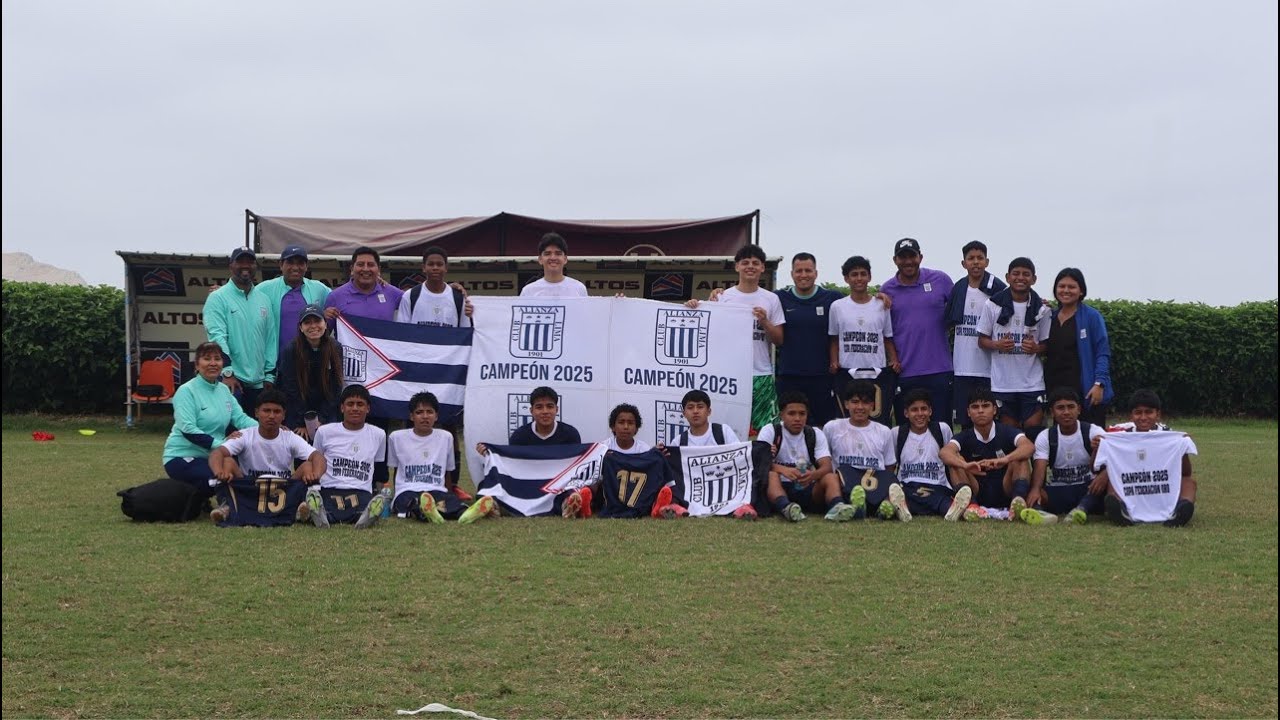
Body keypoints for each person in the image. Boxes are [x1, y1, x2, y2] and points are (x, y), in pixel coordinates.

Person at [696, 245, 785, 435]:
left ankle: (762, 464)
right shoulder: (723, 297)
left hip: (760, 373)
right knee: (728, 428)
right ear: (737, 267)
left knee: (765, 430)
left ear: (762, 267)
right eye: (745, 263)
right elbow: (708, 333)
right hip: (729, 375)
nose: (750, 267)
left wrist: (765, 321)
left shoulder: (771, 299)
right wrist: (694, 306)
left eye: (755, 263)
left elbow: (779, 340)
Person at [206, 388, 325, 525]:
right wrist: (218, 472)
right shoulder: (245, 435)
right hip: (250, 489)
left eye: (276, 411)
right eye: (266, 411)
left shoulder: (290, 437)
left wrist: (315, 475)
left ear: (284, 415)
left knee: (308, 467)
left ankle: (303, 507)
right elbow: (217, 453)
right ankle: (227, 507)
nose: (271, 416)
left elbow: (317, 456)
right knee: (227, 462)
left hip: (282, 490)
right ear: (257, 413)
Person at [472, 386, 590, 520]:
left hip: (556, 484)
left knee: (572, 486)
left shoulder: (570, 434)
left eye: (549, 406)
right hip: (527, 484)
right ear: (531, 411)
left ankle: (567, 503)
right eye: (539, 407)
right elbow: (511, 466)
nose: (545, 411)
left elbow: (574, 467)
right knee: (490, 484)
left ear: (557, 409)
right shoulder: (520, 436)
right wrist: (490, 453)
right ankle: (492, 504)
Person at [161, 341, 257, 500]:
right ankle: (192, 497)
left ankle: (203, 500)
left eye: (217, 359)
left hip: (215, 456)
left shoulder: (224, 390)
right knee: (218, 480)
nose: (213, 363)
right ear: (197, 365)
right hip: (182, 456)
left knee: (242, 476)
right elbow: (188, 430)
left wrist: (269, 429)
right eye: (207, 359)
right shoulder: (186, 391)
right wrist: (223, 444)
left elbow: (241, 419)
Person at [1093, 389, 1197, 527]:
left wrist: (1182, 449)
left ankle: (1182, 509)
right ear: (1131, 415)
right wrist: (1097, 449)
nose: (1143, 417)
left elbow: (1186, 473)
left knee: (1189, 483)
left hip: (1159, 483)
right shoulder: (1121, 436)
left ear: (1158, 414)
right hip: (1133, 483)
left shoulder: (1170, 436)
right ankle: (1120, 509)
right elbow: (1095, 467)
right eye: (1138, 412)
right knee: (1114, 479)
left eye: (1149, 412)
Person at [879, 238, 955, 426]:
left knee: (941, 428)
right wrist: (892, 358)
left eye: (912, 256)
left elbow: (960, 311)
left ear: (920, 257)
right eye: (902, 257)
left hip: (939, 369)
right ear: (895, 260)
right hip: (904, 372)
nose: (908, 261)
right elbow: (884, 331)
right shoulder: (887, 289)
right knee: (907, 431)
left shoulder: (940, 280)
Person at [977, 257, 1051, 433]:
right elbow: (981, 340)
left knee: (1034, 434)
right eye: (1016, 273)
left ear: (1034, 279)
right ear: (1007, 277)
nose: (1020, 278)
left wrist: (1036, 348)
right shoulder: (992, 304)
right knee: (1009, 435)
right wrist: (997, 344)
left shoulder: (1043, 309)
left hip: (1032, 384)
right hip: (1002, 383)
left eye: (1026, 274)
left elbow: (1048, 345)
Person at [758, 392, 855, 522]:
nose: (797, 418)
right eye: (791, 413)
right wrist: (783, 470)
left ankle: (837, 507)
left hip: (807, 487)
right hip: (779, 486)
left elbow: (826, 467)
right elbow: (758, 462)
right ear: (781, 415)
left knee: (831, 477)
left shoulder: (814, 434)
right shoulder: (770, 431)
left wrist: (812, 475)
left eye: (802, 414)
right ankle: (786, 507)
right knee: (771, 475)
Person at [939, 388, 1034, 520]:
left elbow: (1029, 446)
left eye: (985, 406)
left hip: (1005, 487)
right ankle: (972, 506)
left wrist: (1005, 459)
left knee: (1020, 457)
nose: (980, 411)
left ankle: (1017, 503)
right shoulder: (965, 436)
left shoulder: (1007, 431)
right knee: (955, 461)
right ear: (968, 412)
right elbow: (944, 453)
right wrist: (965, 465)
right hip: (976, 489)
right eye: (975, 407)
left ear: (994, 410)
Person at [828, 255, 900, 426]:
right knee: (848, 420)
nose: (859, 278)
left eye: (863, 274)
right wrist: (834, 361)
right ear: (846, 278)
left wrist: (894, 360)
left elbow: (887, 337)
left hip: (877, 371)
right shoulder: (837, 307)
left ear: (869, 276)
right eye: (854, 274)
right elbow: (834, 338)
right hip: (848, 370)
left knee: (877, 420)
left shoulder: (882, 304)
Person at [774, 252, 844, 426]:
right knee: (790, 426)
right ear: (792, 274)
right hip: (789, 376)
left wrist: (880, 299)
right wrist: (719, 295)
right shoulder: (779, 298)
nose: (803, 275)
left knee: (823, 427)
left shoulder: (832, 298)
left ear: (816, 273)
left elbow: (858, 306)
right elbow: (748, 303)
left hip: (822, 377)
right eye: (799, 271)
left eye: (808, 270)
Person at [203, 246, 274, 414]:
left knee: (255, 437)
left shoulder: (264, 299)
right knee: (231, 436)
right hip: (231, 381)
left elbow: (270, 339)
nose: (245, 266)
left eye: (250, 262)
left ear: (255, 266)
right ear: (231, 266)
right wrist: (227, 372)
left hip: (259, 383)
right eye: (240, 261)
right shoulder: (217, 298)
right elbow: (217, 337)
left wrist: (270, 374)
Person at [944, 241, 1006, 429]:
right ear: (964, 263)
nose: (976, 262)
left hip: (988, 368)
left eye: (980, 258)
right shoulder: (959, 288)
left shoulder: (997, 288)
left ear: (987, 261)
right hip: (962, 366)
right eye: (971, 258)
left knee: (989, 420)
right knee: (965, 420)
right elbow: (948, 322)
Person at [308, 384, 388, 529]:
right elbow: (315, 461)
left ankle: (366, 516)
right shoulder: (324, 432)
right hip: (330, 487)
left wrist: (378, 492)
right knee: (327, 507)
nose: (355, 408)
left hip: (360, 489)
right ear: (342, 408)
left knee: (361, 508)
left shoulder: (379, 434)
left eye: (360, 404)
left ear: (368, 408)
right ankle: (319, 515)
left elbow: (379, 470)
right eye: (350, 404)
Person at [665, 389, 754, 520]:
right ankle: (676, 506)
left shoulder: (723, 431)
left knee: (751, 472)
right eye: (690, 408)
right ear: (684, 413)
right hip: (696, 489)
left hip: (724, 482)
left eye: (700, 407)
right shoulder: (678, 441)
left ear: (709, 411)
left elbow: (740, 459)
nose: (695, 411)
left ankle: (743, 507)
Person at [1025, 387, 1105, 525]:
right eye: (1060, 408)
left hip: (1088, 489)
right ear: (1052, 412)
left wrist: (1104, 474)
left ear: (1079, 409)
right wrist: (1035, 490)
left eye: (1071, 407)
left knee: (1105, 480)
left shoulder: (1093, 431)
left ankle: (1081, 509)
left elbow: (1114, 460)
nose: (1066, 412)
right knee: (1036, 491)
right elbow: (1040, 467)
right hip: (1058, 489)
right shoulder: (1045, 437)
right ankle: (1039, 513)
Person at [1045, 267, 1113, 427]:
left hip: (1086, 390)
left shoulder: (1092, 317)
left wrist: (1099, 384)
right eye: (1061, 286)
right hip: (1057, 390)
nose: (1066, 290)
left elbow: (1102, 353)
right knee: (1062, 440)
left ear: (1081, 291)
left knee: (1092, 441)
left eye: (1072, 287)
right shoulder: (1050, 316)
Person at [386, 392, 468, 523]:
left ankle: (463, 513)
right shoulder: (397, 437)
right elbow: (396, 471)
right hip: (409, 489)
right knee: (408, 502)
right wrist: (397, 493)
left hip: (436, 489)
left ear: (436, 416)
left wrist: (449, 493)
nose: (425, 417)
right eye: (419, 412)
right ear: (411, 416)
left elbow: (447, 472)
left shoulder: (446, 437)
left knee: (450, 501)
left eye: (429, 412)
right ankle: (426, 511)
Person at [892, 388, 973, 522]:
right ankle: (903, 508)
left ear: (930, 411)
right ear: (906, 413)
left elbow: (953, 457)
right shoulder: (897, 433)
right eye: (914, 410)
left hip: (937, 486)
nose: (920, 414)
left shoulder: (942, 429)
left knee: (942, 502)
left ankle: (952, 510)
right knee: (902, 497)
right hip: (908, 486)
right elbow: (891, 464)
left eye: (924, 409)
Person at [822, 380, 898, 520]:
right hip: (844, 484)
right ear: (846, 404)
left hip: (874, 485)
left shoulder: (883, 431)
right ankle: (842, 505)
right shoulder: (832, 428)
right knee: (830, 478)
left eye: (866, 402)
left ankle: (883, 509)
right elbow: (824, 460)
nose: (860, 407)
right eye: (855, 402)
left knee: (896, 485)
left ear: (873, 405)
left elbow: (889, 467)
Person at [256, 244, 331, 368]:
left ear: (306, 266)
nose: (295, 267)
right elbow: (243, 299)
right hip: (276, 367)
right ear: (281, 265)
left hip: (311, 366)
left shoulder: (319, 289)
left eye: (300, 263)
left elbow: (341, 298)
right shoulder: (264, 289)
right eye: (290, 262)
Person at [277, 303, 344, 442]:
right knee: (303, 455)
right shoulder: (290, 350)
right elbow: (290, 389)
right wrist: (305, 421)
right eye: (307, 322)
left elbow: (336, 386)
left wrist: (321, 418)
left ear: (325, 324)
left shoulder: (335, 347)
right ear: (301, 327)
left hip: (326, 410)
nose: (313, 326)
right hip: (298, 411)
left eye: (317, 321)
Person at [395, 246, 474, 327]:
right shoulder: (410, 296)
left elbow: (464, 332)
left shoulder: (459, 298)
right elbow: (402, 331)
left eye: (439, 264)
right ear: (424, 268)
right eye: (431, 264)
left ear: (446, 268)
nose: (435, 268)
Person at [323, 246, 404, 323]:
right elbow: (324, 334)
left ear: (378, 270)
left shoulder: (393, 293)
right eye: (360, 264)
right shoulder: (335, 297)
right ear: (351, 269)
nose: (365, 269)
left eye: (370, 265)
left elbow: (414, 304)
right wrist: (324, 318)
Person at [519, 232, 588, 297]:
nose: (553, 258)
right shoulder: (528, 291)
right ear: (540, 259)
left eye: (558, 253)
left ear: (565, 259)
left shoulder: (579, 289)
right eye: (547, 254)